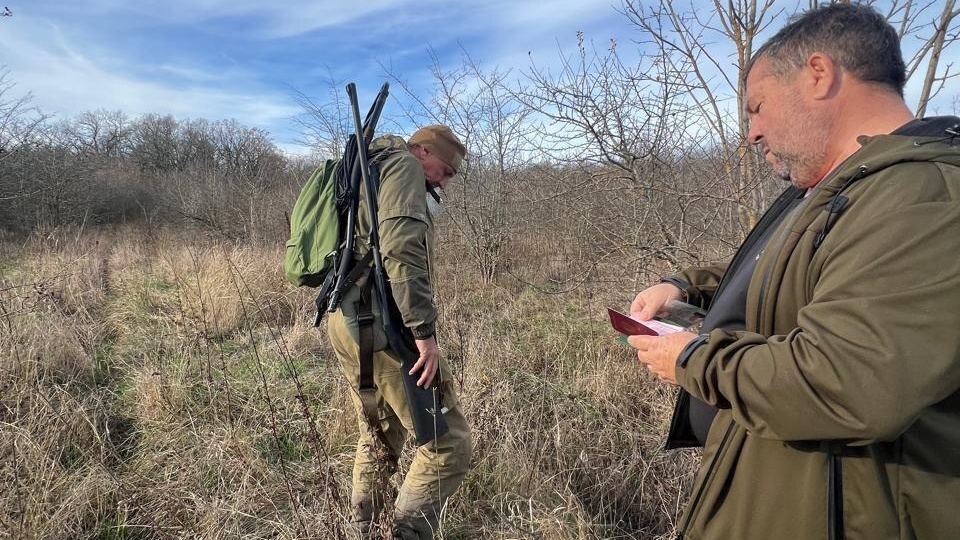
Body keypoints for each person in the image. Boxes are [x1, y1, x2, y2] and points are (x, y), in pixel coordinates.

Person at [628, 4, 960, 538]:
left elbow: (847, 382)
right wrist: (685, 287)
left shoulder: (923, 195)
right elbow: (788, 267)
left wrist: (692, 358)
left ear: (819, 74)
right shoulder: (839, 189)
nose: (752, 134)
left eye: (757, 107)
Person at [327, 125, 473, 539]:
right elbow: (402, 250)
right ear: (422, 151)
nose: (444, 181)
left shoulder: (369, 167)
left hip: (348, 317)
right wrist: (424, 332)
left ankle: (364, 527)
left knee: (380, 428)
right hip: (383, 323)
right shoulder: (405, 167)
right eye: (445, 171)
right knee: (448, 444)